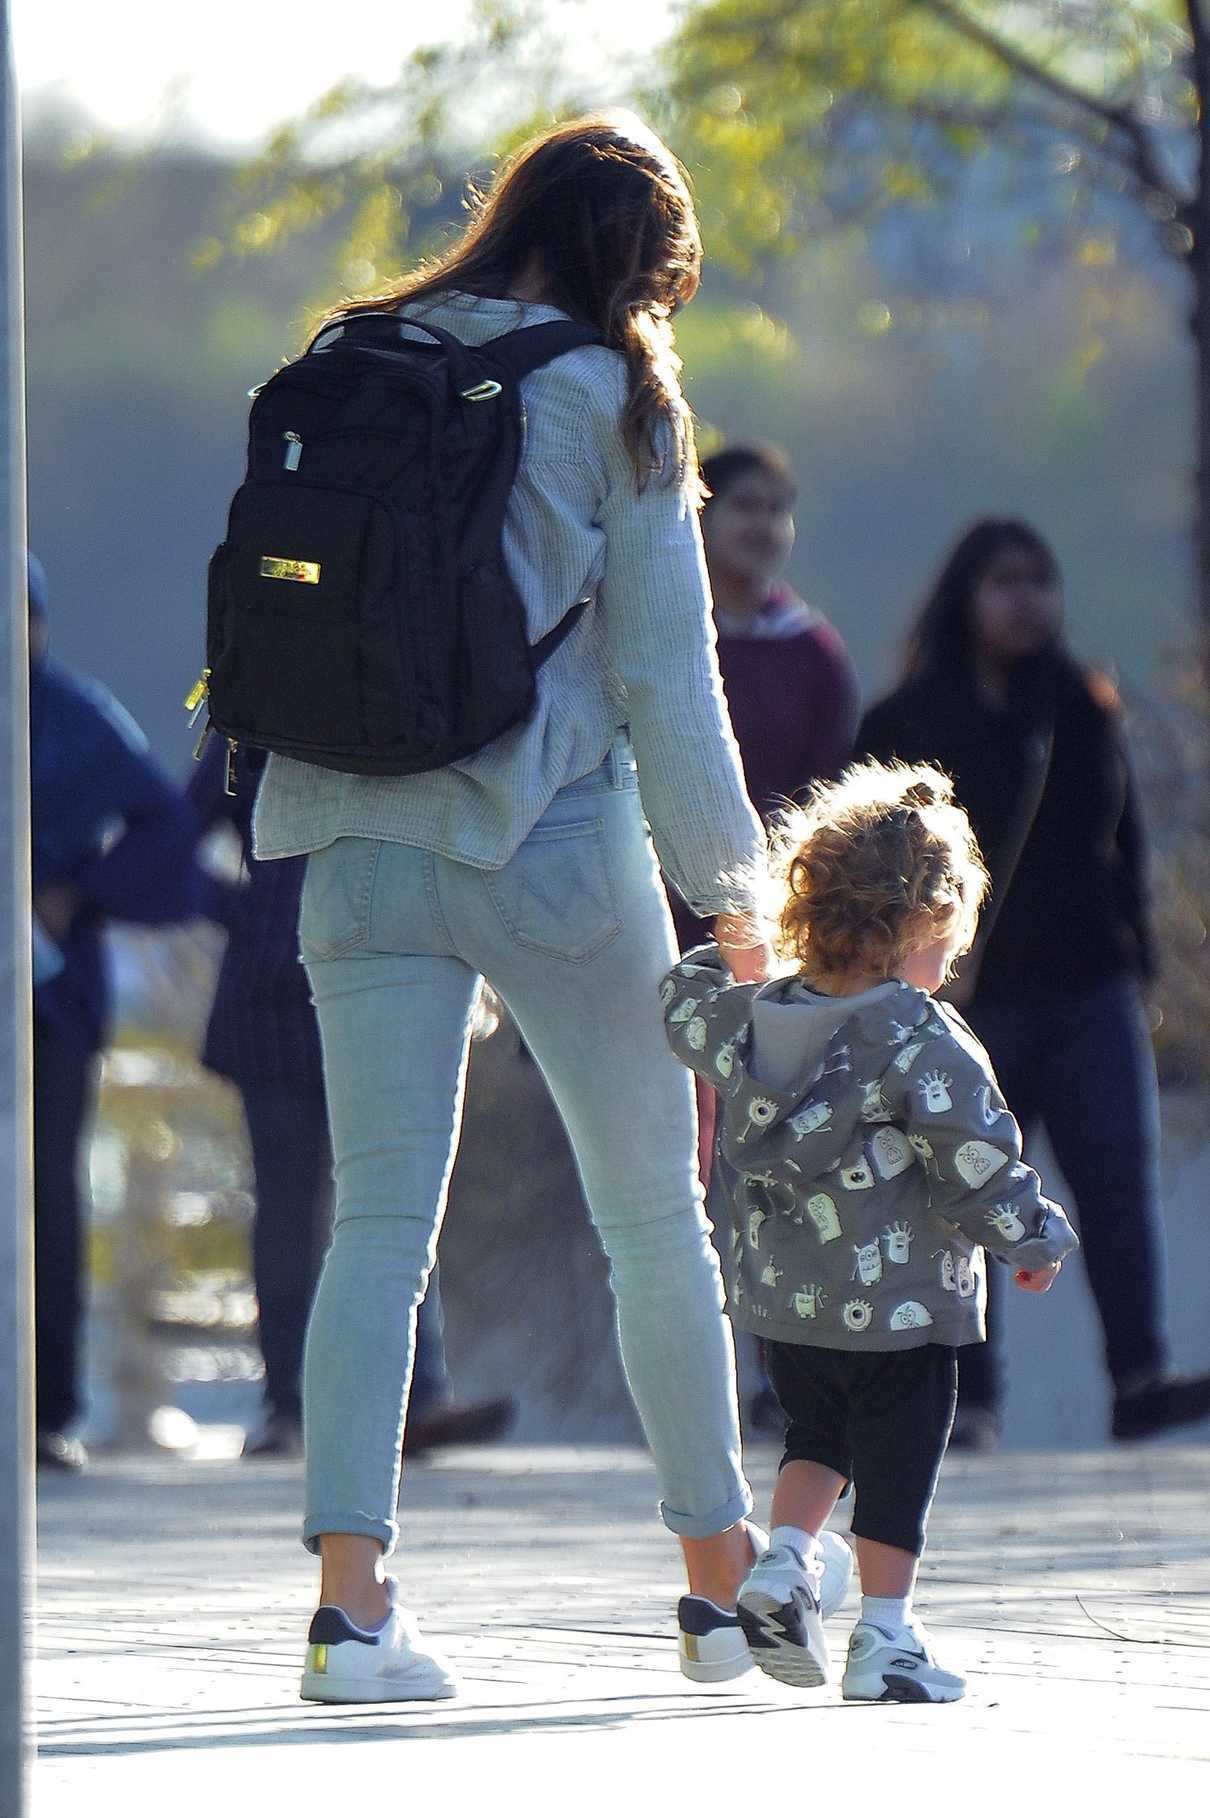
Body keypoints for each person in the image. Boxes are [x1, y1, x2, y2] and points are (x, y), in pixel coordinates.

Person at [250, 112, 783, 1704]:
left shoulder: (355, 350)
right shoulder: (608, 394)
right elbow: (665, 682)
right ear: (644, 265)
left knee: (377, 1227)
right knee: (650, 1222)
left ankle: (351, 1614)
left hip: (346, 833)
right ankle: (715, 1587)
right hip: (544, 844)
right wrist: (734, 904)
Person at [662, 759, 1078, 1701]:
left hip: (788, 1300)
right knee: (896, 1467)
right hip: (903, 1312)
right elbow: (976, 1155)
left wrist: (724, 951)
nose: (950, 966)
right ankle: (886, 1639)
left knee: (816, 1434)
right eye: (948, 943)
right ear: (921, 926)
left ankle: (786, 1564)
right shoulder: (922, 1037)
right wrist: (1035, 1238)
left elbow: (681, 1010)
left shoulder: (758, 1018)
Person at [858, 519, 1210, 1449]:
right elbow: (874, 859)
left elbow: (1121, 843)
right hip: (970, 1004)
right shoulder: (906, 722)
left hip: (1091, 987)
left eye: (1041, 582)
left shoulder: (1079, 706)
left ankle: (1140, 1379)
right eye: (1006, 582)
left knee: (1116, 1187)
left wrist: (1137, 961)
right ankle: (970, 1398)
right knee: (964, 1193)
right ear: (965, 596)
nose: (1028, 601)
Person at [187, 740, 515, 1459]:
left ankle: (415, 1398)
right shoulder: (253, 714)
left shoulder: (402, 691)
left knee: (397, 1194)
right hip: (274, 1001)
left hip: (385, 976)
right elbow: (178, 833)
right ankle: (287, 1405)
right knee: (287, 1206)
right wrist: (239, 911)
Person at [28, 554, 204, 1471]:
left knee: (47, 1197)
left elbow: (164, 827)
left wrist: (78, 891)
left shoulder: (74, 715)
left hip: (51, 997)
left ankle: (48, 1410)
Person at [672, 443, 859, 1179]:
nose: (765, 525)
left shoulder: (814, 651)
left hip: (765, 934)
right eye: (746, 506)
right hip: (655, 916)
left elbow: (827, 799)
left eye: (779, 510)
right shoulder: (667, 633)